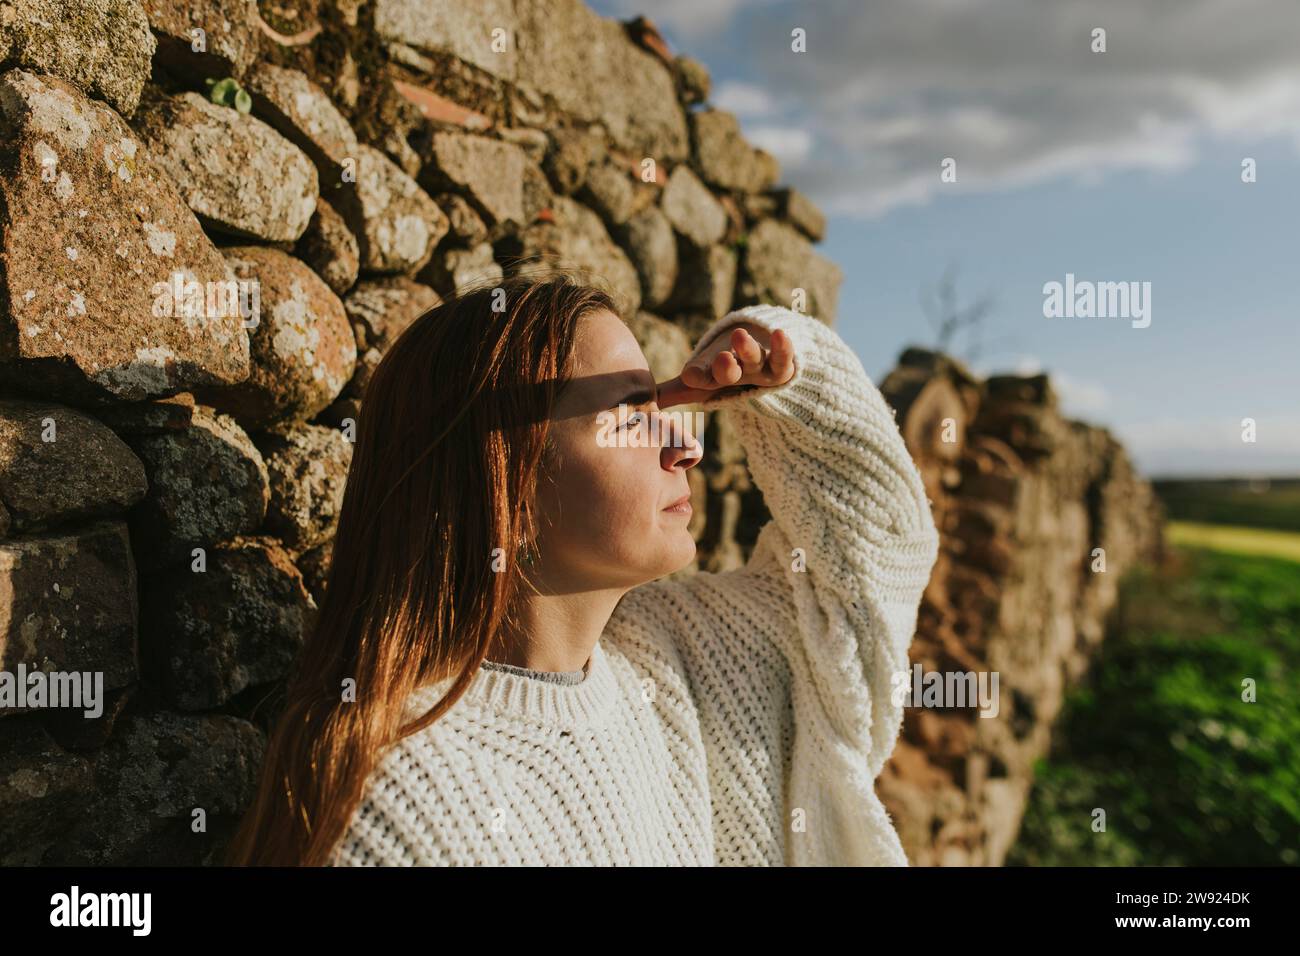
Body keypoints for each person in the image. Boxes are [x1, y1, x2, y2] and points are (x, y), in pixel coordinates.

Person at [225, 272, 939, 866]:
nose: (686, 446)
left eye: (663, 404)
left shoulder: (680, 661)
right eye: (633, 413)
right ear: (505, 472)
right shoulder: (410, 808)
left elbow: (879, 561)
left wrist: (789, 368)